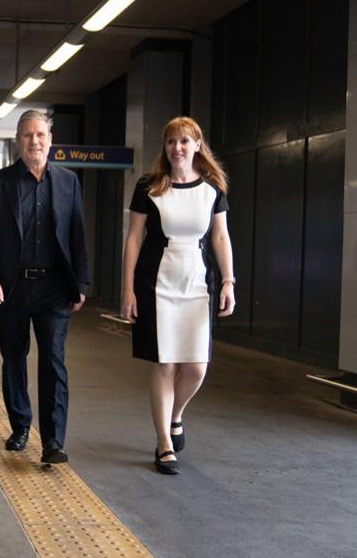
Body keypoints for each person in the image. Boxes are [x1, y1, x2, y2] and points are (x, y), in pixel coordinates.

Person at [120, 116, 235, 476]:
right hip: (157, 286)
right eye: (171, 142)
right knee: (165, 363)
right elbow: (134, 237)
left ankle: (176, 415)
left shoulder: (213, 188)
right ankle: (164, 444)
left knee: (197, 367)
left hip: (197, 286)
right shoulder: (149, 186)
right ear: (165, 147)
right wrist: (127, 289)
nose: (178, 148)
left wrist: (229, 280)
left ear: (198, 145)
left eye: (185, 141)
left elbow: (219, 237)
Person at [0, 110, 89, 464]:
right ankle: (21, 425)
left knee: (54, 362)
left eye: (40, 135)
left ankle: (54, 441)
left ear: (50, 140)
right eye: (27, 135)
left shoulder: (69, 182)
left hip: (54, 287)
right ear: (18, 141)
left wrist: (81, 283)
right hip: (12, 287)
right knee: (14, 358)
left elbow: (78, 236)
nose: (34, 141)